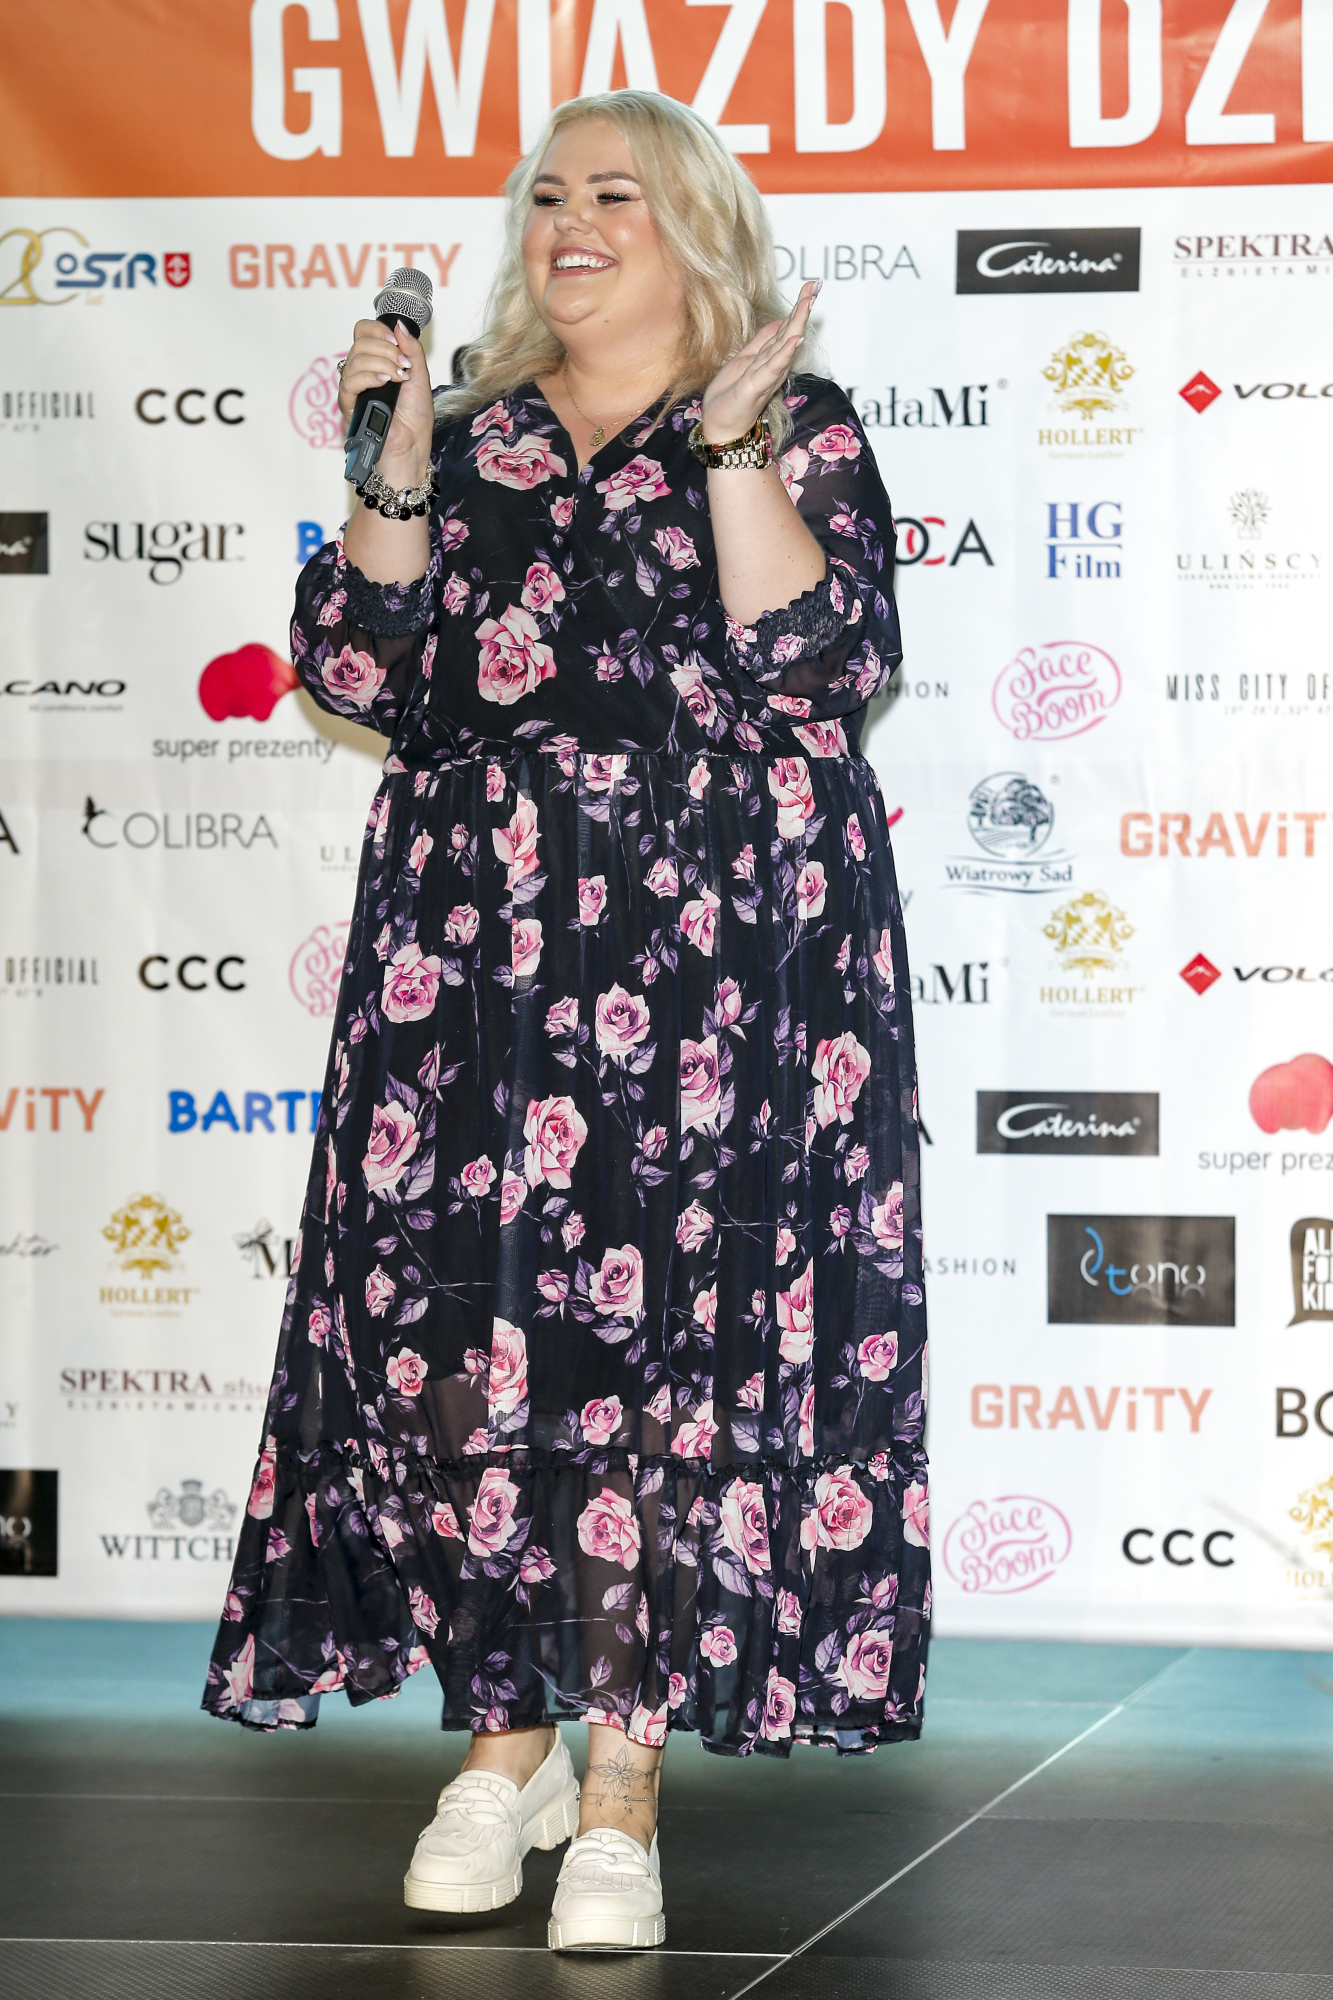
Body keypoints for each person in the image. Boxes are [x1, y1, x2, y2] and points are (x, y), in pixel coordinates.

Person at [203, 88, 929, 1953]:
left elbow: (821, 668)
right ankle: (500, 1732)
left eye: (615, 192)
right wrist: (395, 462)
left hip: (729, 954)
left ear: (695, 226)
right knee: (464, 1332)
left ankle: (618, 1777)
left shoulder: (792, 422)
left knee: (671, 1344)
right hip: (480, 950)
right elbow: (357, 669)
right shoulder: (468, 430)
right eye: (544, 197)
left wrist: (737, 447)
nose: (568, 223)